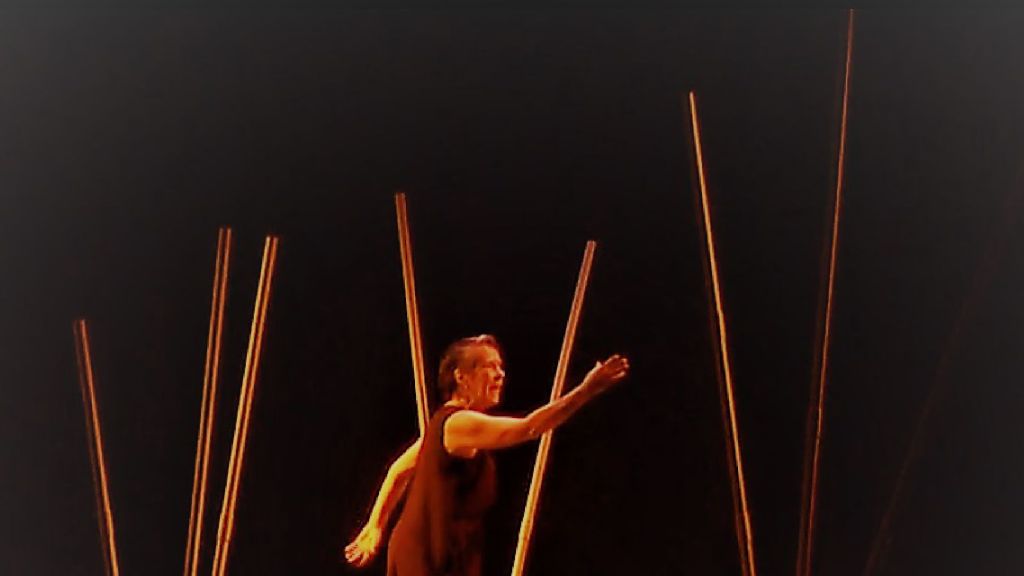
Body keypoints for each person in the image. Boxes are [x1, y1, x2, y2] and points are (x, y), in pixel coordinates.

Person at [344, 334, 629, 575]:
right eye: (489, 366)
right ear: (461, 376)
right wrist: (587, 390)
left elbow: (398, 471)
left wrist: (376, 525)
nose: (500, 374)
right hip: (427, 557)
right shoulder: (458, 423)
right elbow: (530, 427)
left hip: (449, 553)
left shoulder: (444, 426)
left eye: (501, 367)